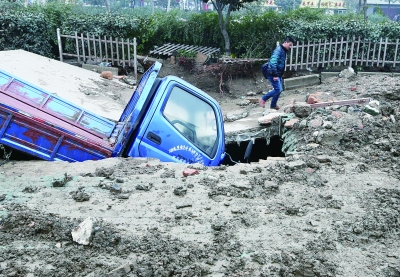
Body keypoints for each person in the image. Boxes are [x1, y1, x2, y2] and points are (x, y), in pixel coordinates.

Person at [259, 36, 296, 110]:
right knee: (278, 89)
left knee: (279, 89)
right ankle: (263, 99)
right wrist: (275, 75)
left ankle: (273, 105)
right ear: (285, 42)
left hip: (277, 73)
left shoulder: (283, 50)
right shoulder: (278, 50)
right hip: (272, 73)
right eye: (290, 45)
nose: (290, 47)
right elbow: (273, 63)